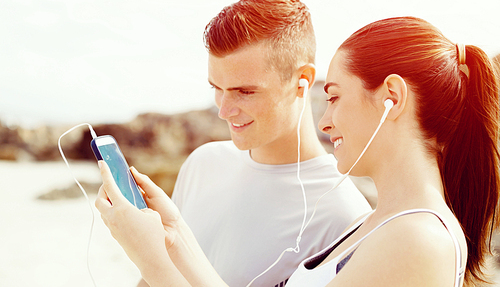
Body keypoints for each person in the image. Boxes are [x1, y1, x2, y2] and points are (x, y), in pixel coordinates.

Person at [96, 16, 500, 286]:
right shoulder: (384, 224)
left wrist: (149, 259)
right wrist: (173, 237)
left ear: (391, 97)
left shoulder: (418, 239)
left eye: (336, 97)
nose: (324, 122)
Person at [130, 0, 371, 287]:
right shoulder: (203, 163)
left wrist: (143, 254)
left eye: (245, 92)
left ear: (302, 80)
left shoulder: (344, 217)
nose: (224, 110)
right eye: (216, 88)